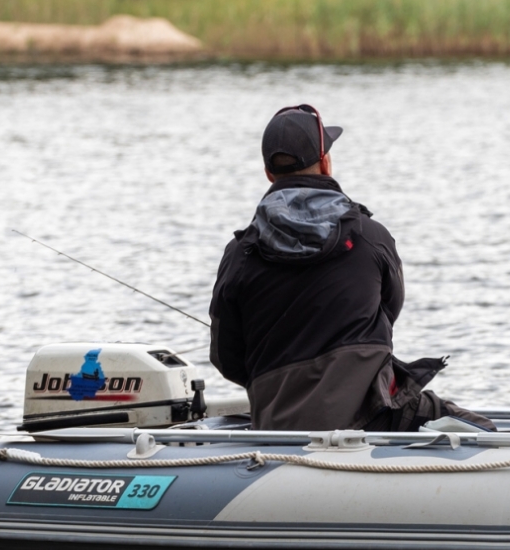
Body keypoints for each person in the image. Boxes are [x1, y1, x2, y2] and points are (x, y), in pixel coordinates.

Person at [209, 104, 490, 431]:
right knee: (484, 434)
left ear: (269, 172)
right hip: (373, 416)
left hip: (277, 424)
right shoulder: (371, 236)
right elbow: (389, 311)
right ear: (326, 163)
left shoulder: (239, 254)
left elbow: (227, 359)